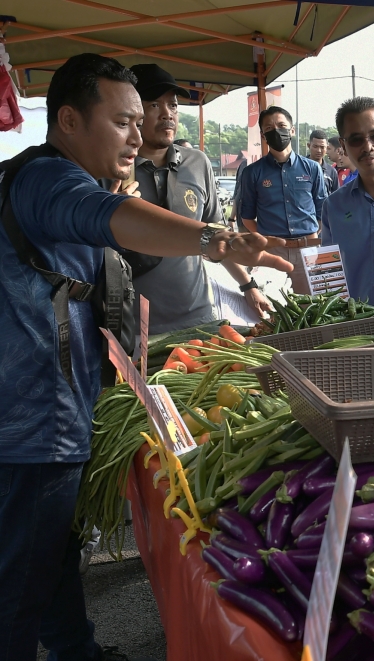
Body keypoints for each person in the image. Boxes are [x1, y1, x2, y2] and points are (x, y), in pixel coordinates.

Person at [0, 53, 289, 661]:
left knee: (49, 554)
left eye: (141, 121)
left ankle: (77, 650)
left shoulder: (51, 176)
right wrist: (216, 240)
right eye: (122, 121)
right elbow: (106, 217)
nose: (137, 135)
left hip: (53, 411)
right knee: (20, 581)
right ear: (70, 120)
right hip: (33, 422)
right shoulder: (48, 180)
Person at [121, 64, 272, 332]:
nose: (167, 114)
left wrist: (249, 285)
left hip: (199, 317)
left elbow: (217, 235)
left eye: (173, 105)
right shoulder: (114, 169)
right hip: (134, 325)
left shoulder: (197, 162)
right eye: (154, 105)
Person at [320, 97, 374, 307]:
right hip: (354, 330)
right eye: (356, 139)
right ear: (343, 146)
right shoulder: (333, 207)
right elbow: (329, 276)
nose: (368, 147)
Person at [239, 106, 327, 294]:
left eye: (281, 125)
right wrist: (268, 239)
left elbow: (322, 208)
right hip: (272, 252)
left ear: (292, 130)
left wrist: (311, 235)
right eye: (269, 128)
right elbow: (247, 217)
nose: (276, 131)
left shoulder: (311, 168)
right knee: (275, 309)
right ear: (263, 135)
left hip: (308, 250)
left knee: (315, 308)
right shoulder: (252, 172)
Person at [307, 128, 339, 196]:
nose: (319, 150)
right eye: (315, 146)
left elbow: (336, 197)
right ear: (309, 146)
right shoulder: (299, 167)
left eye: (322, 147)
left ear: (326, 148)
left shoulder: (332, 172)